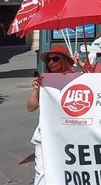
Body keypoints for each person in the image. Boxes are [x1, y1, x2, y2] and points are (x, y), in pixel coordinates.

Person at [27, 45, 75, 185]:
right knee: (41, 172)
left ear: (64, 60)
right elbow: (30, 108)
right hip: (45, 134)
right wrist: (35, 90)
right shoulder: (43, 80)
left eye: (55, 59)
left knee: (66, 171)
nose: (51, 62)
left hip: (68, 135)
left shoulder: (75, 79)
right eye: (48, 59)